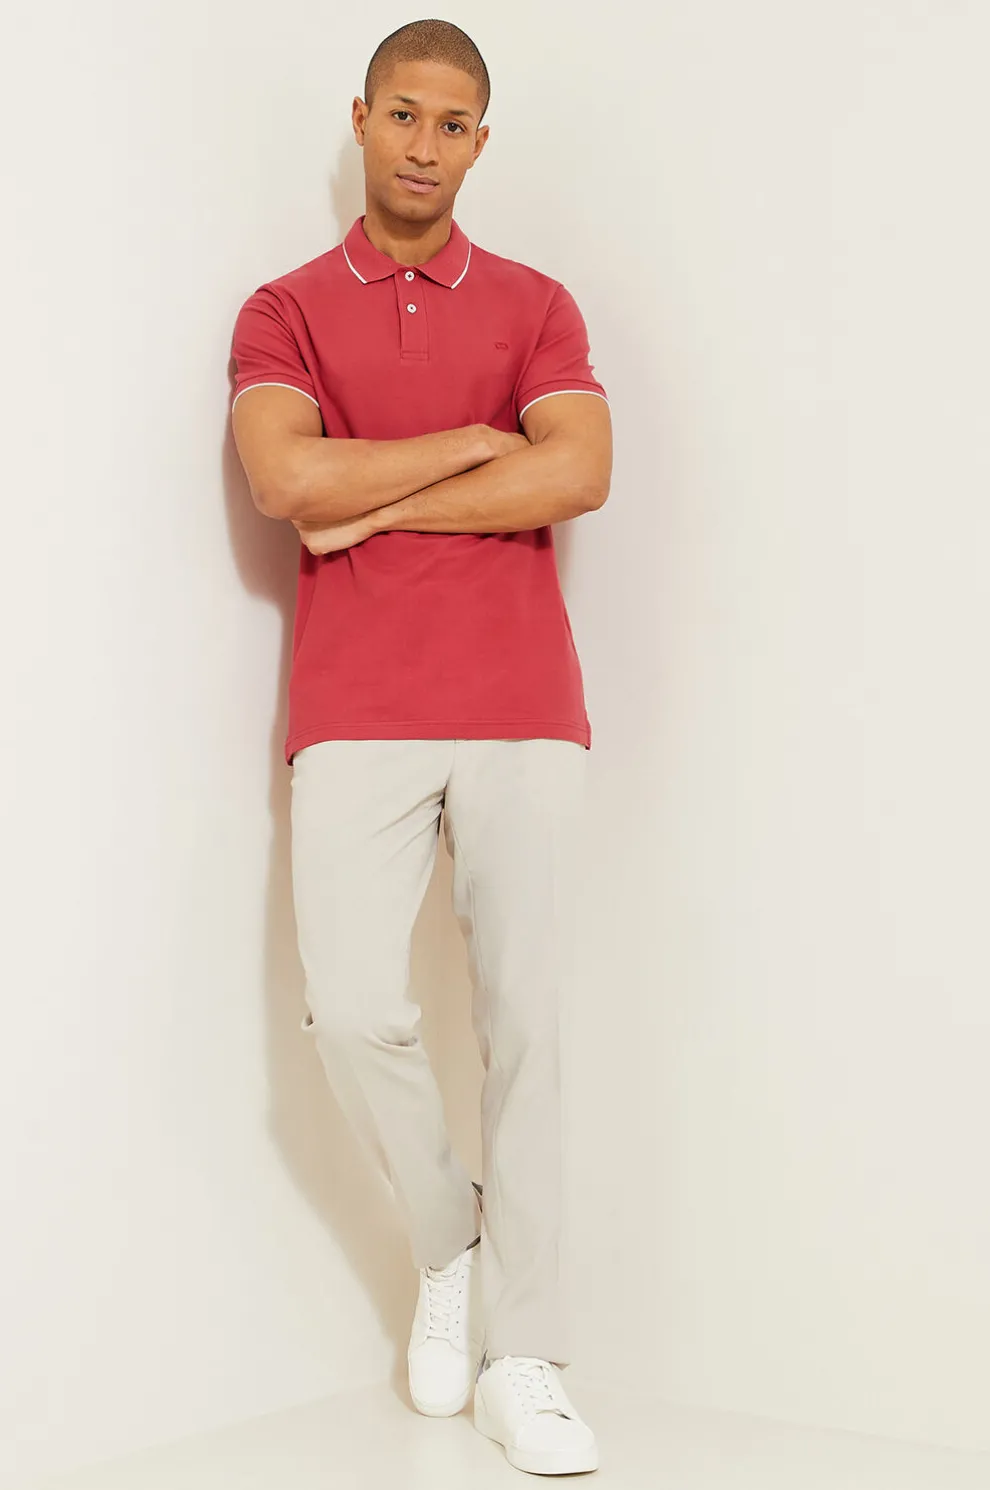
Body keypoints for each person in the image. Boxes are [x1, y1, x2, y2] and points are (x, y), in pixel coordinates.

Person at [228, 17, 611, 1478]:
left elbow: (578, 469)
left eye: (453, 124)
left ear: (479, 143)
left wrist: (371, 503)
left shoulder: (536, 303)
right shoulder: (283, 309)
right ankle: (452, 1236)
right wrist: (470, 444)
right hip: (355, 707)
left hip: (524, 702)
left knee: (528, 1025)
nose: (424, 144)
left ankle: (527, 1356)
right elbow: (284, 477)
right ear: (362, 118)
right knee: (346, 1008)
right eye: (403, 114)